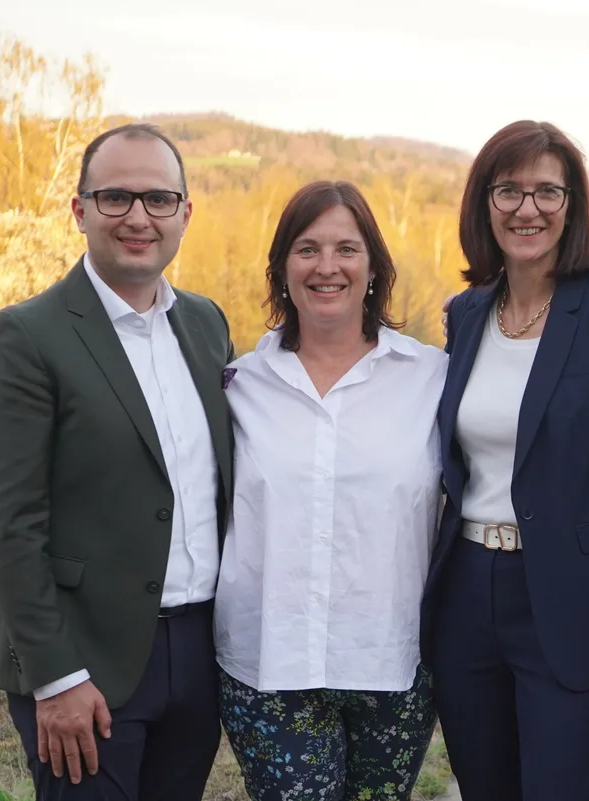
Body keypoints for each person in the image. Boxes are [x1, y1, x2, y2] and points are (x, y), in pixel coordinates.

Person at [0, 123, 235, 800]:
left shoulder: (206, 325)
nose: (139, 217)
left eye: (159, 199)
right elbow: (9, 526)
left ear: (185, 213)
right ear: (80, 209)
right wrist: (56, 676)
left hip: (198, 655)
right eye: (116, 197)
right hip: (83, 666)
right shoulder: (26, 337)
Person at [420, 120, 589, 801]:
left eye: (546, 191)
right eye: (508, 190)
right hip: (468, 595)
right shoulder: (466, 314)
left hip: (572, 604)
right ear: (485, 202)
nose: (526, 209)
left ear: (573, 203)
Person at [212, 180, 444, 800]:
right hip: (268, 662)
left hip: (392, 661)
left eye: (346, 248)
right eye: (307, 249)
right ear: (282, 267)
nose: (327, 266)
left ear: (373, 267)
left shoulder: (431, 378)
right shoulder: (239, 382)